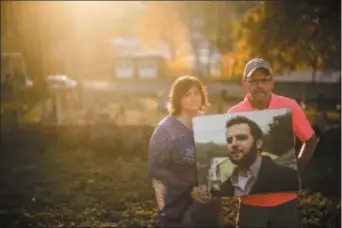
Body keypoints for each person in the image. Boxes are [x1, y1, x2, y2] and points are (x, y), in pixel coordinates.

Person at [227, 58, 318, 228]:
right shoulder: (234, 113)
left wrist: (296, 169)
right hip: (250, 203)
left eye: (264, 80)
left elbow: (310, 140)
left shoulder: (289, 106)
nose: (259, 85)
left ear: (272, 82)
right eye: (253, 81)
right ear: (245, 84)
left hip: (284, 201)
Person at [148, 76, 221, 227]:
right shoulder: (166, 130)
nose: (193, 98)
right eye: (187, 94)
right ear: (177, 99)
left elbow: (217, 159)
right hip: (177, 204)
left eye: (196, 93)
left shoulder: (209, 124)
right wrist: (188, 190)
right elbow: (157, 169)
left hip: (207, 203)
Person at [215, 116, 299, 197]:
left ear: (258, 143)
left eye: (241, 138)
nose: (233, 144)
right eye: (229, 140)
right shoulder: (224, 190)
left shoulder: (286, 177)